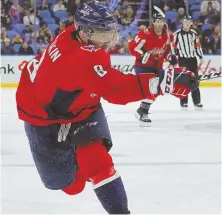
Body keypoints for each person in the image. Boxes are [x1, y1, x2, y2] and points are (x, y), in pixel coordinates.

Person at [16, 2, 197, 214]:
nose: (109, 41)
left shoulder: (76, 34)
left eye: (110, 33)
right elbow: (118, 90)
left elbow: (104, 80)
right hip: (45, 116)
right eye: (102, 35)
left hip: (80, 101)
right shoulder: (81, 58)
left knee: (97, 160)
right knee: (71, 186)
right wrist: (165, 82)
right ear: (84, 33)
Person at [129, 13, 178, 126]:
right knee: (150, 88)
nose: (159, 24)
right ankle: (144, 112)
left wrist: (171, 58)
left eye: (161, 21)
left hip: (157, 66)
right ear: (153, 22)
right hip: (142, 66)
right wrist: (142, 55)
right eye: (157, 21)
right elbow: (132, 47)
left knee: (157, 90)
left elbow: (167, 52)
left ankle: (142, 110)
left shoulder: (169, 36)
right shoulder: (145, 34)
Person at [174, 15, 204, 110]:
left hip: (192, 60)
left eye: (189, 21)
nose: (187, 23)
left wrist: (201, 57)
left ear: (191, 23)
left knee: (194, 80)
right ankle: (184, 102)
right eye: (185, 21)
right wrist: (174, 58)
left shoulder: (194, 33)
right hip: (182, 60)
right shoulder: (177, 34)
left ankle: (197, 102)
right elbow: (173, 47)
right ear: (182, 22)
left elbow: (197, 46)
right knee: (183, 81)